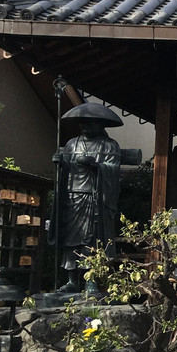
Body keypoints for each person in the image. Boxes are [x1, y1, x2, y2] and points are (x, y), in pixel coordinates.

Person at [50, 104, 122, 294]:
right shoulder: (72, 144)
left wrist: (96, 165)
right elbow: (66, 166)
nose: (84, 127)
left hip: (94, 196)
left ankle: (91, 280)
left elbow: (113, 168)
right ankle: (71, 280)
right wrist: (60, 162)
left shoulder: (109, 145)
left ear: (100, 124)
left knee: (91, 239)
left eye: (89, 123)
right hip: (72, 195)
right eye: (82, 123)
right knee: (70, 239)